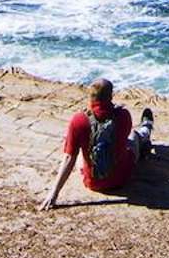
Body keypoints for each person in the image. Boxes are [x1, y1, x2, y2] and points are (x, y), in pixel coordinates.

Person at [42, 79, 140, 207]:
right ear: (110, 96)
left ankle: (72, 139)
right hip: (120, 179)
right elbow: (124, 139)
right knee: (134, 137)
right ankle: (146, 127)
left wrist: (53, 194)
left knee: (77, 148)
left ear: (90, 96)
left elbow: (69, 157)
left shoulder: (79, 120)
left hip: (92, 183)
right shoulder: (123, 115)